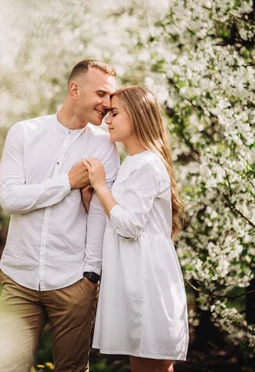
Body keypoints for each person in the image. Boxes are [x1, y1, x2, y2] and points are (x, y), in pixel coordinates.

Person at [0, 60, 120, 372]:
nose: (107, 104)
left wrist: (91, 275)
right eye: (101, 94)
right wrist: (67, 182)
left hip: (72, 281)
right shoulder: (24, 133)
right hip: (19, 279)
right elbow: (10, 198)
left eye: (110, 96)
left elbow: (99, 216)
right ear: (74, 89)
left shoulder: (105, 146)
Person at [82, 86, 189, 372]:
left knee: (149, 364)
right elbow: (120, 215)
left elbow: (129, 226)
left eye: (115, 113)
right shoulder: (133, 162)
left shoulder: (147, 165)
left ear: (139, 116)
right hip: (133, 272)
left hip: (145, 277)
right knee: (144, 363)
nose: (108, 120)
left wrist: (102, 186)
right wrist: (97, 194)